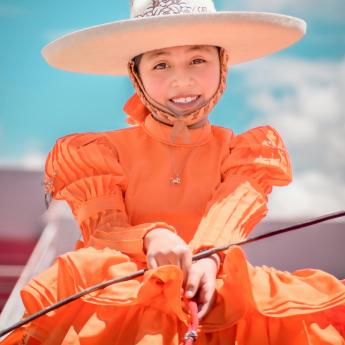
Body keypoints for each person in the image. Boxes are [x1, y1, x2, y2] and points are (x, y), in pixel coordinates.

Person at [2, 0, 345, 344]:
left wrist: (209, 258)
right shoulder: (97, 152)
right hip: (121, 298)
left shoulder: (247, 154)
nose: (182, 79)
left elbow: (229, 217)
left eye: (198, 60)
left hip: (219, 293)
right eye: (161, 64)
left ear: (223, 63)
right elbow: (103, 229)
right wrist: (153, 236)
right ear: (136, 74)